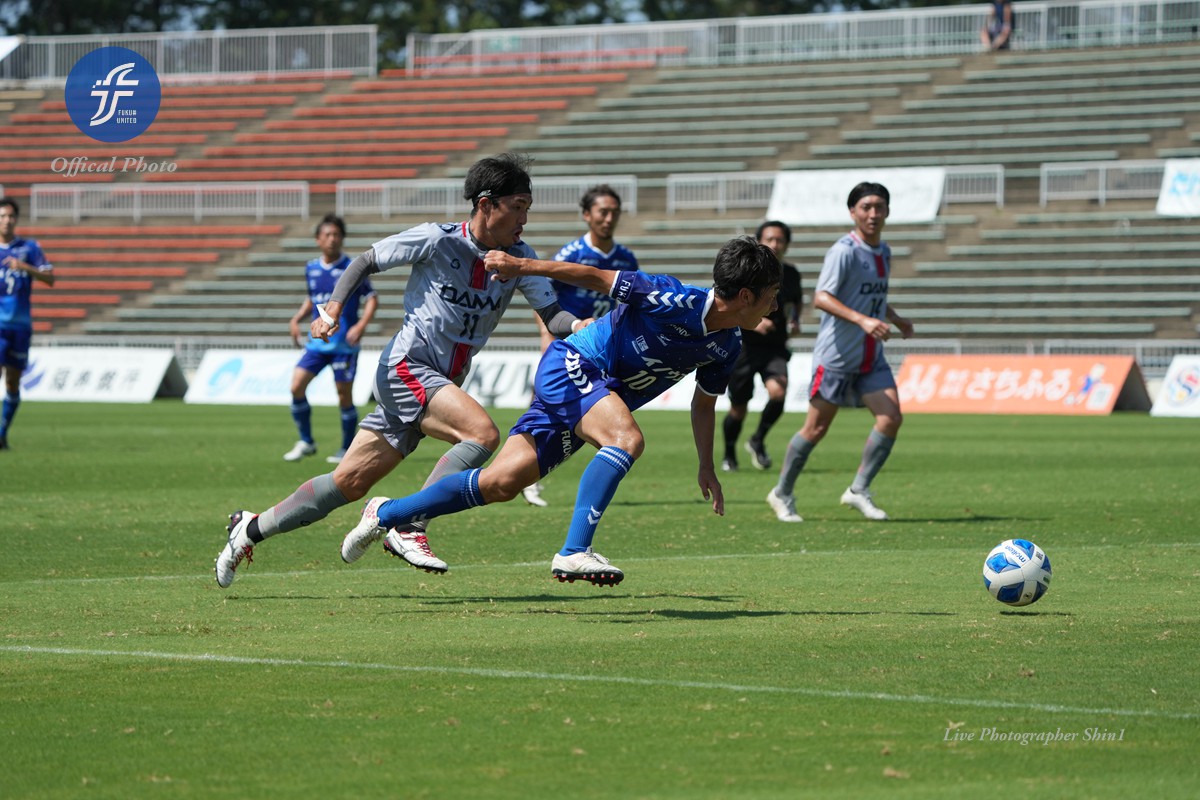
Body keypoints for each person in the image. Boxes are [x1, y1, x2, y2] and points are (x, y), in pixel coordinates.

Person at [215, 153, 589, 588]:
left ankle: (250, 528)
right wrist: (332, 309)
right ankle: (408, 525)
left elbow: (552, 316)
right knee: (482, 434)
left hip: (438, 384)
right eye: (518, 206)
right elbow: (366, 261)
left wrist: (580, 326)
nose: (524, 219)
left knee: (347, 483)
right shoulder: (437, 239)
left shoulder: (519, 258)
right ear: (486, 204)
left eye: (528, 208)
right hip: (406, 367)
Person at [339, 236, 782, 587]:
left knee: (500, 484)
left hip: (592, 396)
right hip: (574, 365)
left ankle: (386, 513)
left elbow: (704, 404)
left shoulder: (728, 343)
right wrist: (520, 266)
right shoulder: (671, 297)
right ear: (745, 295)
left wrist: (706, 465)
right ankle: (574, 552)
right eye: (771, 297)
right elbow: (594, 277)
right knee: (626, 439)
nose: (775, 307)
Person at [766, 182, 913, 524]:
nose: (873, 213)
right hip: (837, 356)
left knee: (891, 418)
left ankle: (859, 489)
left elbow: (872, 297)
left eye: (879, 207)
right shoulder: (843, 251)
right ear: (853, 212)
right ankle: (782, 492)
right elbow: (822, 298)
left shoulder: (884, 251)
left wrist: (895, 318)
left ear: (887, 211)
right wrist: (863, 320)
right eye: (866, 207)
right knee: (815, 429)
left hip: (869, 356)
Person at [521, 184, 639, 507]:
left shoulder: (625, 258)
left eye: (614, 212)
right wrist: (547, 336)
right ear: (587, 215)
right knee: (541, 412)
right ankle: (525, 475)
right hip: (566, 345)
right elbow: (541, 298)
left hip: (601, 350)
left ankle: (593, 480)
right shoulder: (571, 254)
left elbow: (632, 303)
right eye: (603, 211)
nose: (609, 218)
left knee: (603, 418)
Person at [283, 213, 379, 464]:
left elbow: (371, 298)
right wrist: (296, 319)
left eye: (336, 234)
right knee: (296, 386)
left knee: (344, 396)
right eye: (327, 234)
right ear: (318, 239)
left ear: (342, 238)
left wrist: (360, 325)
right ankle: (306, 441)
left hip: (344, 345)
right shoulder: (311, 268)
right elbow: (312, 299)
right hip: (317, 342)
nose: (332, 239)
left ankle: (347, 448)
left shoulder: (352, 267)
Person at [721, 220, 803, 473]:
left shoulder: (791, 274)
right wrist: (754, 322)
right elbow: (728, 306)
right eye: (770, 239)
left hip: (774, 347)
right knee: (738, 408)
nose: (775, 244)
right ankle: (729, 454)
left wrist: (795, 320)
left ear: (787, 244)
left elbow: (796, 303)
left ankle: (757, 439)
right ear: (759, 242)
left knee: (779, 392)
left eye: (780, 240)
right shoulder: (746, 273)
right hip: (744, 346)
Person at [0, 198, 55, 450]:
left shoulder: (29, 248)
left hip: (20, 327)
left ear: (16, 219)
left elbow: (50, 279)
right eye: (2, 216)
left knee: (13, 382)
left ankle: (2, 433)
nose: (7, 221)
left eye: (10, 216)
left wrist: (24, 266)